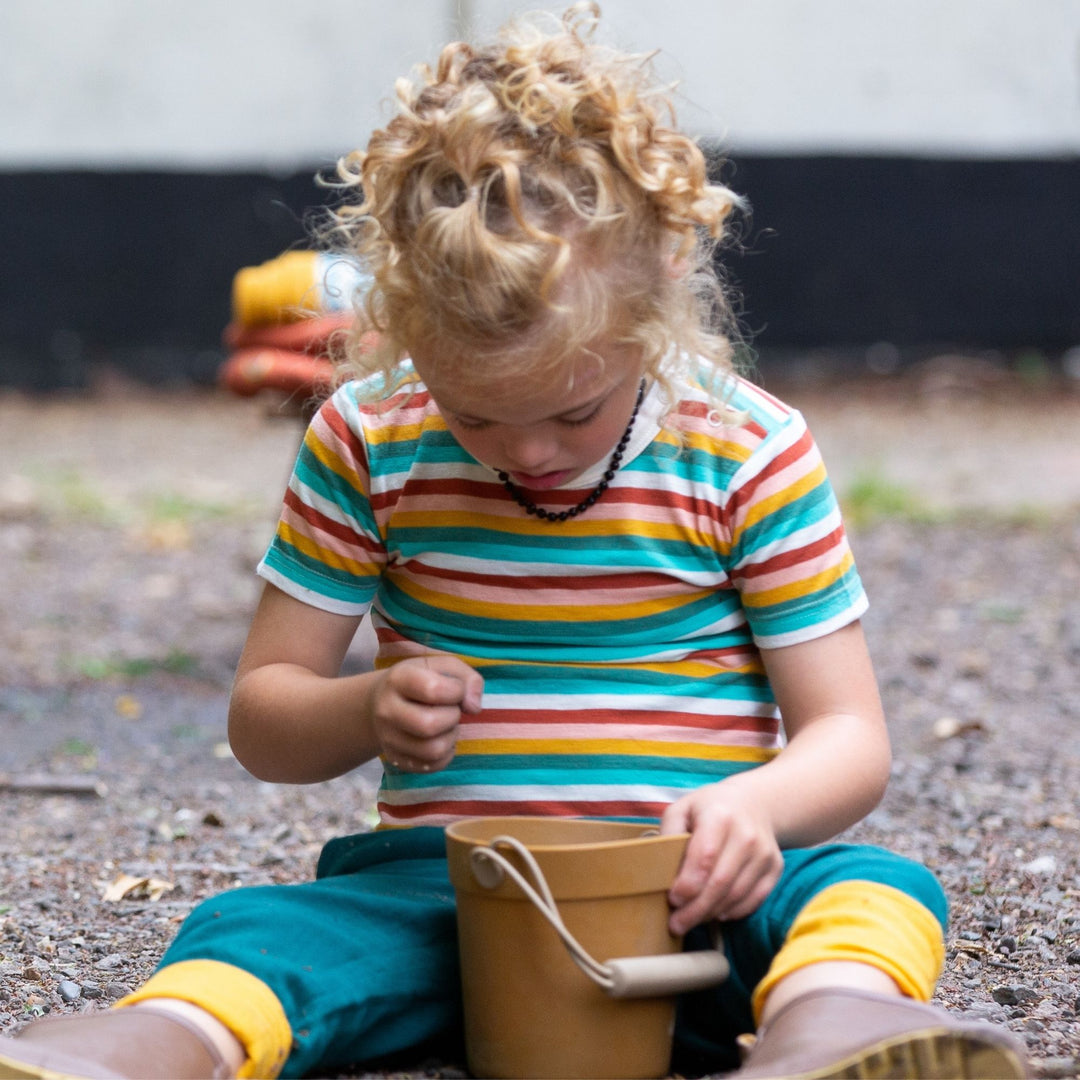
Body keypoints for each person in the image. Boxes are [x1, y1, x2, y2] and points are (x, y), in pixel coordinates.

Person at [0, 6, 1029, 1079]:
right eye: (477, 417)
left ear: (662, 289)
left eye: (573, 413)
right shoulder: (370, 437)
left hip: (695, 897)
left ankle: (828, 1030)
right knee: (267, 930)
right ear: (398, 316)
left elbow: (850, 738)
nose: (527, 452)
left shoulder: (746, 451)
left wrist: (750, 809)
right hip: (452, 894)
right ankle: (137, 1051)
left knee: (873, 891)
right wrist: (363, 706)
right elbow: (266, 720)